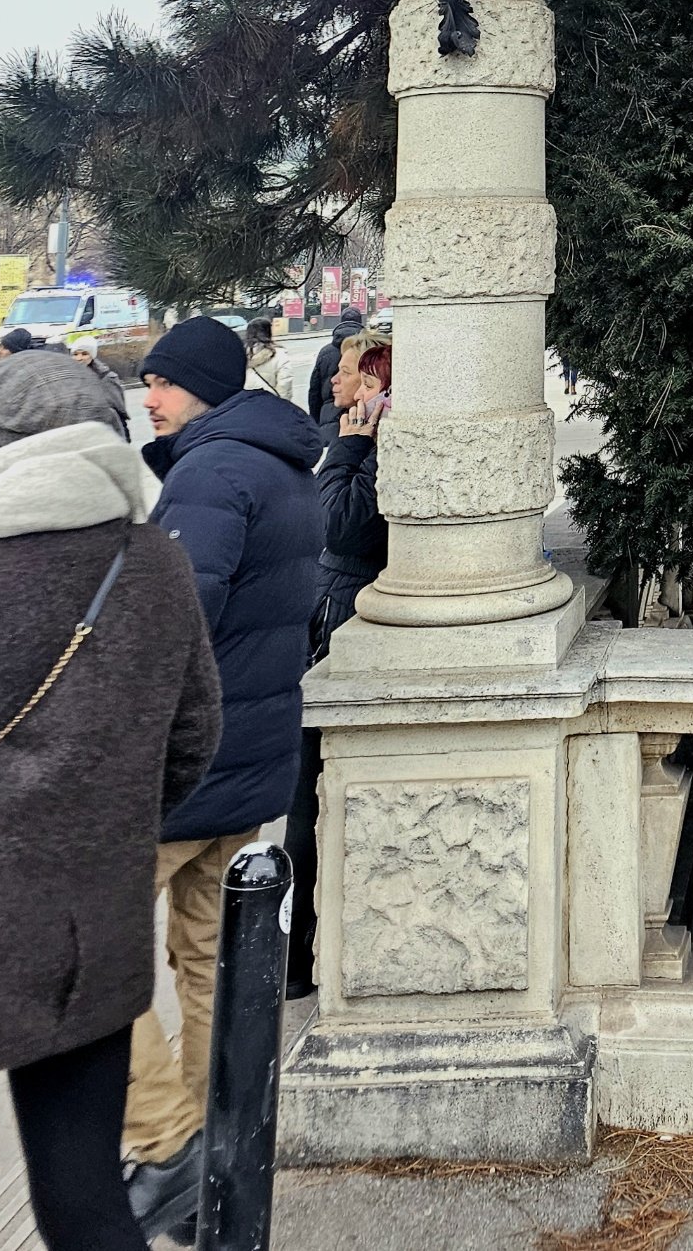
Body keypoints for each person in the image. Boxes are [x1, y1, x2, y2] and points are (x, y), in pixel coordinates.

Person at [0, 352, 221, 1251]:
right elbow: (193, 741)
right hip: (89, 933)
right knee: (85, 1205)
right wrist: (99, 823)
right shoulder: (152, 563)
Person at [122, 315, 321, 1240]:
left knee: (83, 954)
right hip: (248, 759)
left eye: (161, 383)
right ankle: (220, 1147)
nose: (148, 398)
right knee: (207, 961)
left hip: (184, 765)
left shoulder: (208, 474)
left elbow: (172, 621)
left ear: (202, 387)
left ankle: (163, 1143)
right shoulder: (280, 464)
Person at [283, 330, 390, 993]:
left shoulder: (377, 440)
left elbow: (340, 526)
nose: (333, 382)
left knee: (308, 799)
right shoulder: (364, 434)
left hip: (344, 615)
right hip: (334, 607)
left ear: (374, 387)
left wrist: (349, 446)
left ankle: (299, 958)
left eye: (347, 374)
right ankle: (299, 954)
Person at [305, 309, 364, 440]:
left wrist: (315, 421)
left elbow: (314, 391)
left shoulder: (326, 352)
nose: (334, 380)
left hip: (328, 413)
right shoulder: (365, 349)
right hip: (359, 412)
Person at [70, 342, 132, 433]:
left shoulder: (106, 378)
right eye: (75, 354)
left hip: (106, 432)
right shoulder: (69, 379)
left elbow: (118, 413)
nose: (79, 358)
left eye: (84, 354)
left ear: (92, 356)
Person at [239, 316, 289, 399]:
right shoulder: (279, 354)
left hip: (245, 403)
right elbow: (285, 384)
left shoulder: (240, 354)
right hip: (270, 403)